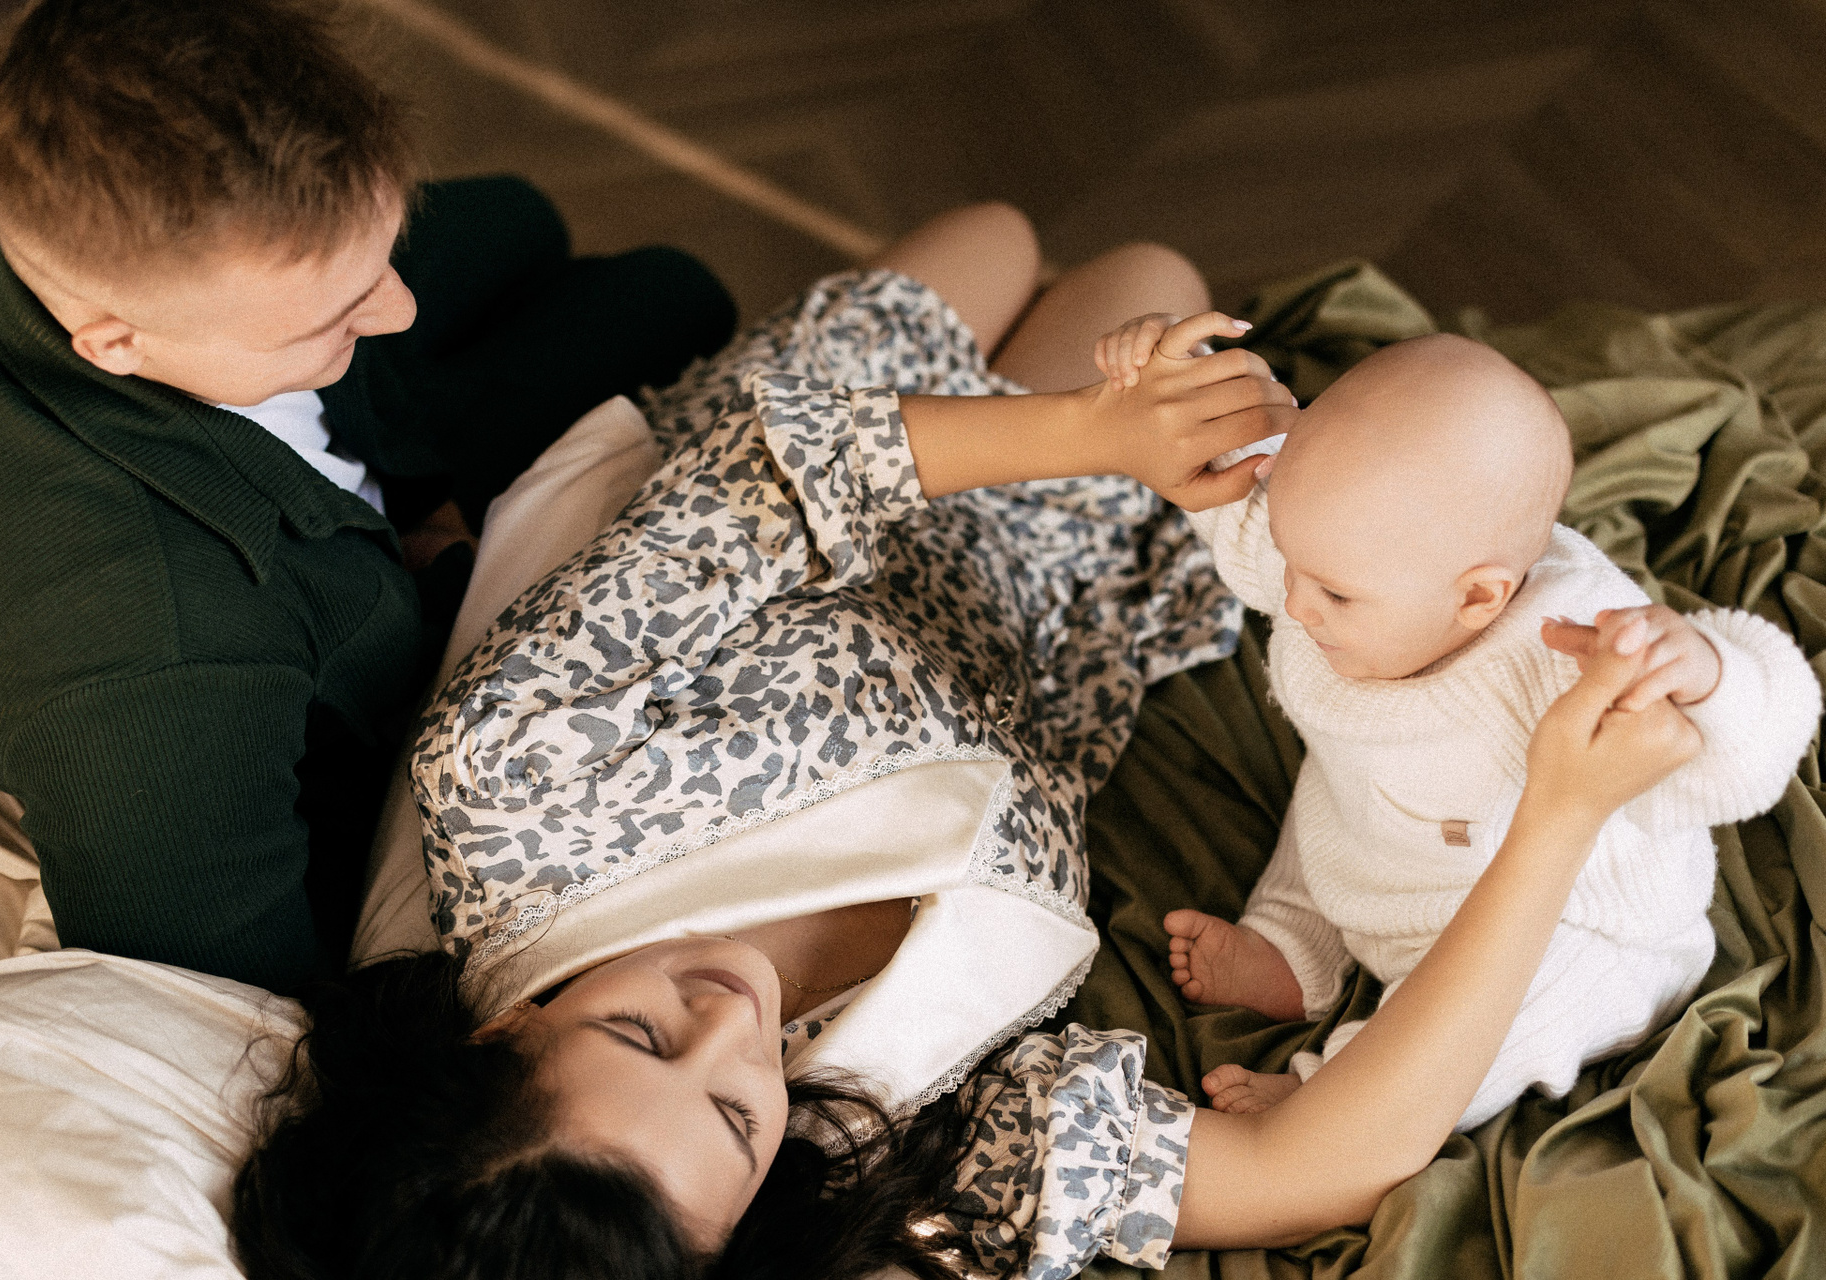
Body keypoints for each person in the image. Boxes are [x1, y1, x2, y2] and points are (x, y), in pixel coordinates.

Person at [232, 206, 1703, 1279]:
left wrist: (1096, 430)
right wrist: (1558, 813)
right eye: (735, 1114)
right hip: (1048, 595)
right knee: (1155, 274)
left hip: (890, 458)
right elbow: (1305, 1167)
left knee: (999, 237)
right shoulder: (882, 1150)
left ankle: (1004, 293)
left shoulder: (522, 784)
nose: (732, 1017)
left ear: (502, 1031)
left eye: (639, 1031)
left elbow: (770, 477)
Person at [0, 0, 735, 993]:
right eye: (335, 313)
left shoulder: (50, 94)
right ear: (115, 340)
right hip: (315, 585)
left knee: (549, 233)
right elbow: (238, 990)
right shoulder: (158, 669)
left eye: (382, 251)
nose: (399, 306)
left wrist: (370, 396)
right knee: (674, 303)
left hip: (353, 436)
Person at [1090, 322, 1819, 1129]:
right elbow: (1229, 483)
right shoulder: (1332, 539)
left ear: (1478, 597)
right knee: (1323, 811)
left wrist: (1707, 674)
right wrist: (1172, 384)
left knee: (1536, 1006)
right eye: (1291, 562)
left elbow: (1757, 747)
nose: (1294, 604)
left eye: (1333, 594)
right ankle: (1295, 950)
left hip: (1570, 920)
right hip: (1383, 846)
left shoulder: (1576, 640)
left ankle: (1335, 1087)